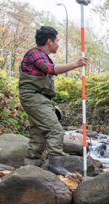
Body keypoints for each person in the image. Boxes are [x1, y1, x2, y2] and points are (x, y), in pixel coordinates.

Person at [19, 26, 87, 176]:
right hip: (33, 97)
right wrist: (76, 64)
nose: (58, 43)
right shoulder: (34, 54)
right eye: (57, 40)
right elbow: (50, 69)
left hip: (39, 98)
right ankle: (56, 165)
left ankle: (31, 166)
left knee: (38, 132)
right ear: (49, 41)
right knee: (55, 130)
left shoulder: (40, 55)